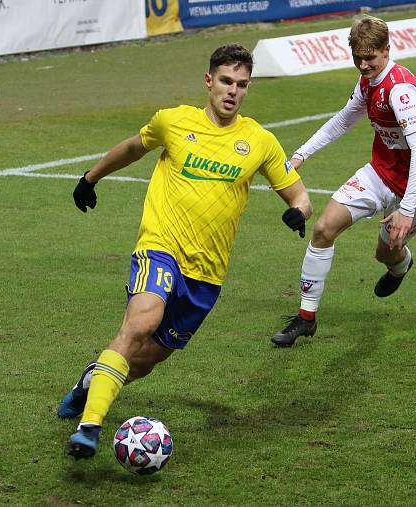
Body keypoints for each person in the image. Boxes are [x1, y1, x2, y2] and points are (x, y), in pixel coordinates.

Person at [59, 43, 312, 459]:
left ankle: (87, 384)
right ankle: (90, 426)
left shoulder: (259, 141)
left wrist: (298, 213)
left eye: (242, 84)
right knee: (141, 322)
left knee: (147, 359)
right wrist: (90, 177)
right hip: (160, 248)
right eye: (226, 81)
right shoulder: (173, 122)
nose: (233, 91)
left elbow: (299, 195)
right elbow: (132, 147)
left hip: (207, 274)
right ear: (208, 81)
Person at [271, 15, 416, 347]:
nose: (363, 65)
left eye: (370, 58)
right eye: (358, 58)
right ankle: (306, 318)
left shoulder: (400, 90)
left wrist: (406, 210)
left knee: (385, 253)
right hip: (380, 173)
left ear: (387, 49)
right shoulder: (368, 82)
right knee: (323, 229)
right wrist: (300, 155)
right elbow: (343, 119)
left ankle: (401, 265)